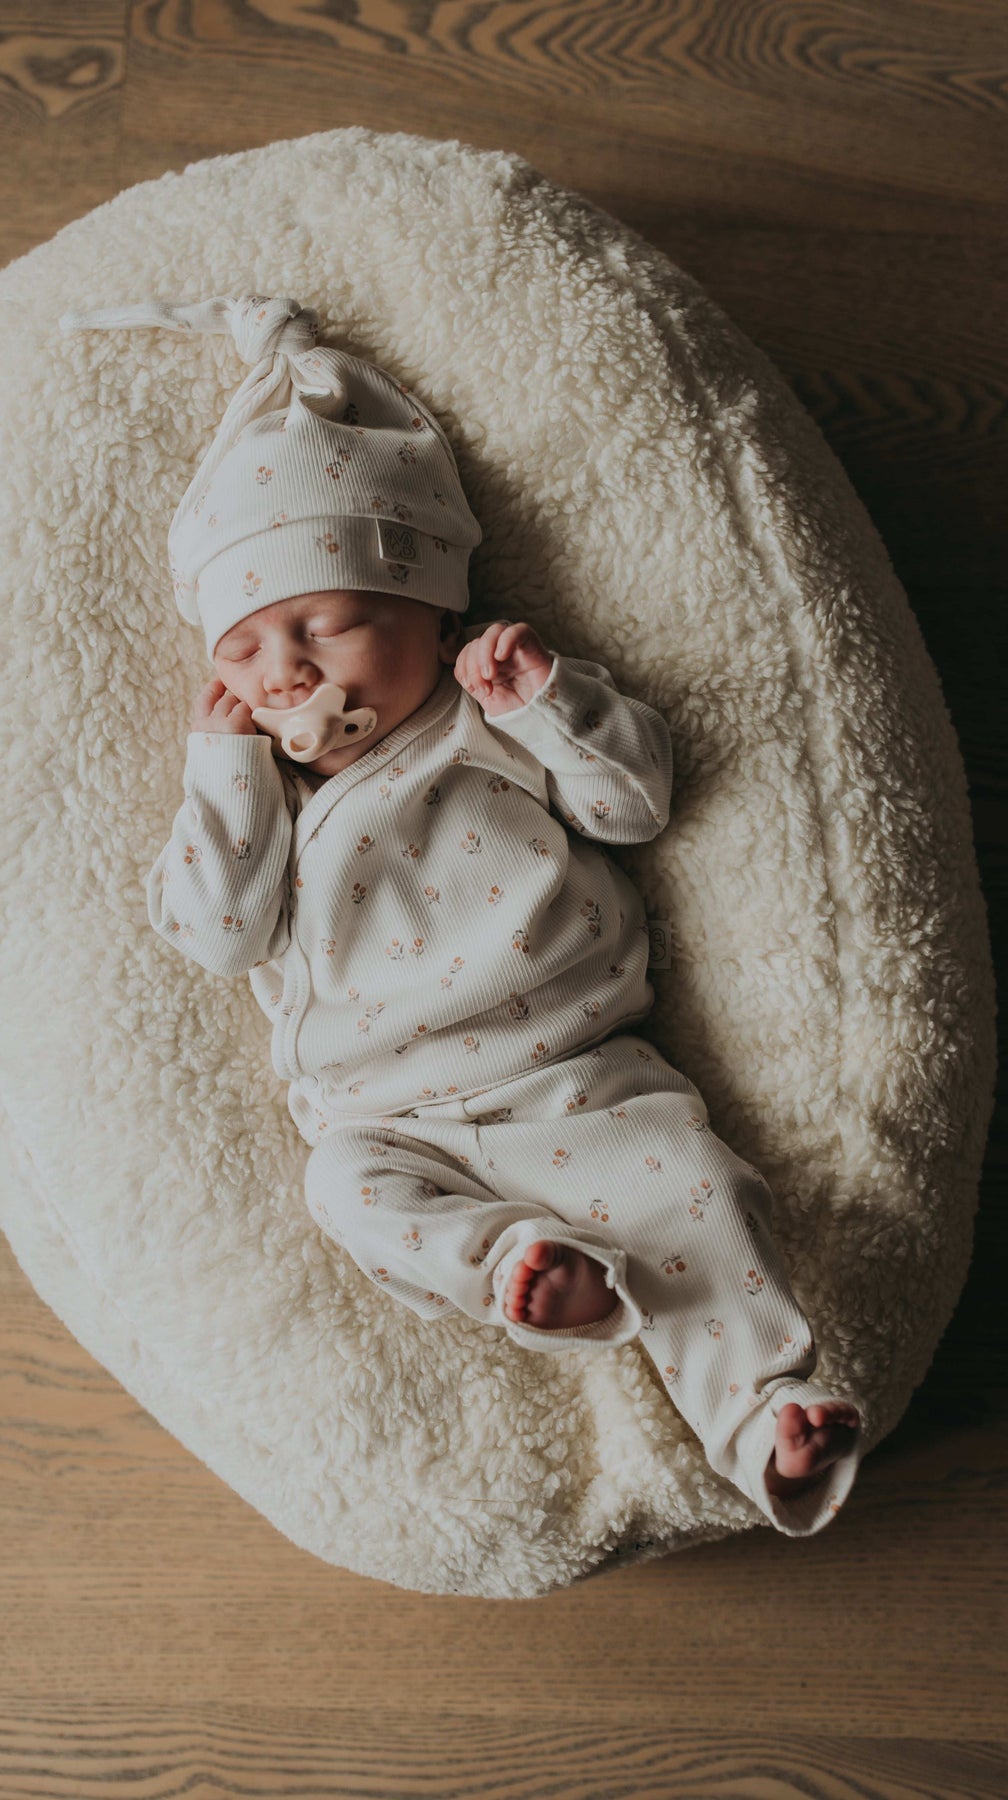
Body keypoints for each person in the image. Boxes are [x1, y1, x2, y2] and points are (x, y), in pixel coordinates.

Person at [59, 292, 865, 1536]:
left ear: (430, 613)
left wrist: (551, 700)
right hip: (392, 1116)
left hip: (575, 1077)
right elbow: (215, 936)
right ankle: (524, 1273)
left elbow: (637, 802)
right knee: (345, 1190)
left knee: (699, 1195)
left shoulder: (490, 712)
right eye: (251, 647)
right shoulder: (257, 794)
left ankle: (769, 1418)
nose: (288, 671)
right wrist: (220, 770)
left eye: (323, 623)